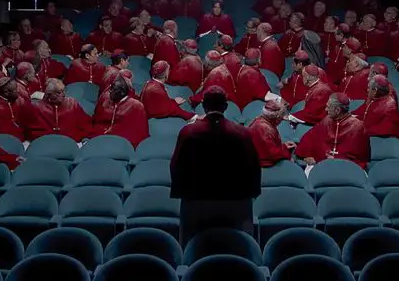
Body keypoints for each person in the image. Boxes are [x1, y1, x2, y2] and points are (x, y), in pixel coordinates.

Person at [171, 86, 262, 245]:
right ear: (226, 107)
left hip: (197, 202)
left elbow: (177, 165)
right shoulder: (241, 133)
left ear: (204, 106)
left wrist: (184, 194)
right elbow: (253, 167)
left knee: (195, 249)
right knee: (234, 248)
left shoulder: (188, 132)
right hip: (235, 202)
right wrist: (249, 195)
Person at [295, 93, 371, 169]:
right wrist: (306, 154)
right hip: (322, 163)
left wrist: (334, 158)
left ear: (337, 110)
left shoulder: (357, 126)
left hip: (347, 168)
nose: (325, 109)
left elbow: (359, 157)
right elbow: (310, 138)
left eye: (328, 107)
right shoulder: (326, 121)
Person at [18, 78, 92, 142]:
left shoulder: (72, 103)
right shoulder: (35, 106)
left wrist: (84, 137)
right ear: (49, 94)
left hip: (69, 141)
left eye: (64, 91)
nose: (63, 94)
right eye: (58, 93)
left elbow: (85, 123)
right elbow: (24, 126)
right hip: (42, 142)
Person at [90, 78, 149, 147]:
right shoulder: (108, 100)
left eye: (113, 90)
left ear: (121, 92)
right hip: (105, 137)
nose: (109, 91)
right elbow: (98, 119)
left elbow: (139, 132)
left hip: (125, 142)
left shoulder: (136, 106)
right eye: (110, 88)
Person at [247, 99, 295, 167]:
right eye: (282, 117)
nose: (283, 119)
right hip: (261, 165)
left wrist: (283, 146)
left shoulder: (261, 120)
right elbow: (271, 154)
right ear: (277, 117)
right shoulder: (264, 128)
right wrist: (285, 149)